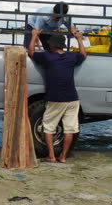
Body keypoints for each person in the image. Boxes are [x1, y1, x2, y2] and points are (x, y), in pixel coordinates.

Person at [28, 27, 87, 163]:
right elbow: (83, 55)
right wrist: (79, 39)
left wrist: (34, 35)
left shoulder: (48, 56)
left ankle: (51, 156)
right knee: (70, 129)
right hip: (73, 98)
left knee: (48, 127)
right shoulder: (71, 57)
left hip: (56, 98)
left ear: (53, 45)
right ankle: (63, 157)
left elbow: (31, 52)